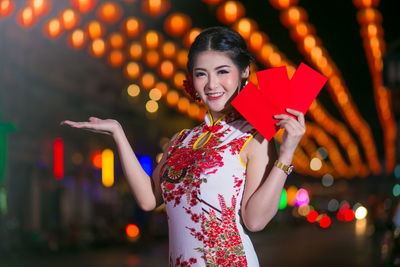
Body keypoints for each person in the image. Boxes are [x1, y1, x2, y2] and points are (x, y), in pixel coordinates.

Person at [60, 26, 305, 267]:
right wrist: (118, 133)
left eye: (222, 71)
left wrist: (286, 154)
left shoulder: (254, 136)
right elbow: (148, 199)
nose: (211, 84)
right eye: (201, 74)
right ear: (192, 79)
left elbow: (255, 221)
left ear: (244, 72)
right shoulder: (180, 140)